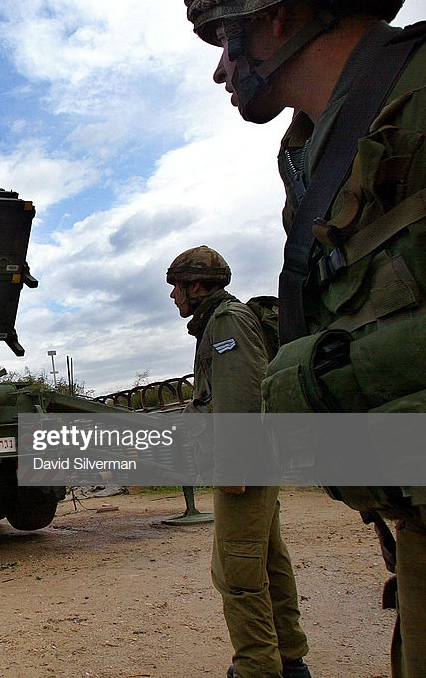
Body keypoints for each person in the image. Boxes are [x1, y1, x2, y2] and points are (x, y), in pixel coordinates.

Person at [184, 0, 426, 675]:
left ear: (279, 16)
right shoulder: (322, 155)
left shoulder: (416, 106)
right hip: (414, 515)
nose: (221, 70)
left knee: (243, 573)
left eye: (224, 42)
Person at [168, 246, 310, 678]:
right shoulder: (221, 321)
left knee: (238, 571)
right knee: (267, 561)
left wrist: (232, 467)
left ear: (196, 286)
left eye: (177, 286)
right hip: (258, 461)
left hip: (245, 467)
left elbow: (241, 396)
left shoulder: (227, 321)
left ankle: (256, 667)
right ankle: (288, 658)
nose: (174, 296)